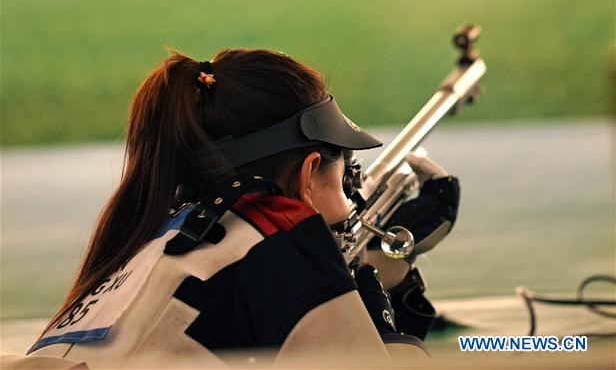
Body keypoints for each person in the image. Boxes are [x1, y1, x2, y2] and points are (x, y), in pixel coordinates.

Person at [22, 48, 459, 368]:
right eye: (346, 180)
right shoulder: (282, 234)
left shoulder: (143, 244)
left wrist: (385, 275)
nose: (351, 202)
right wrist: (387, 331)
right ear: (308, 174)